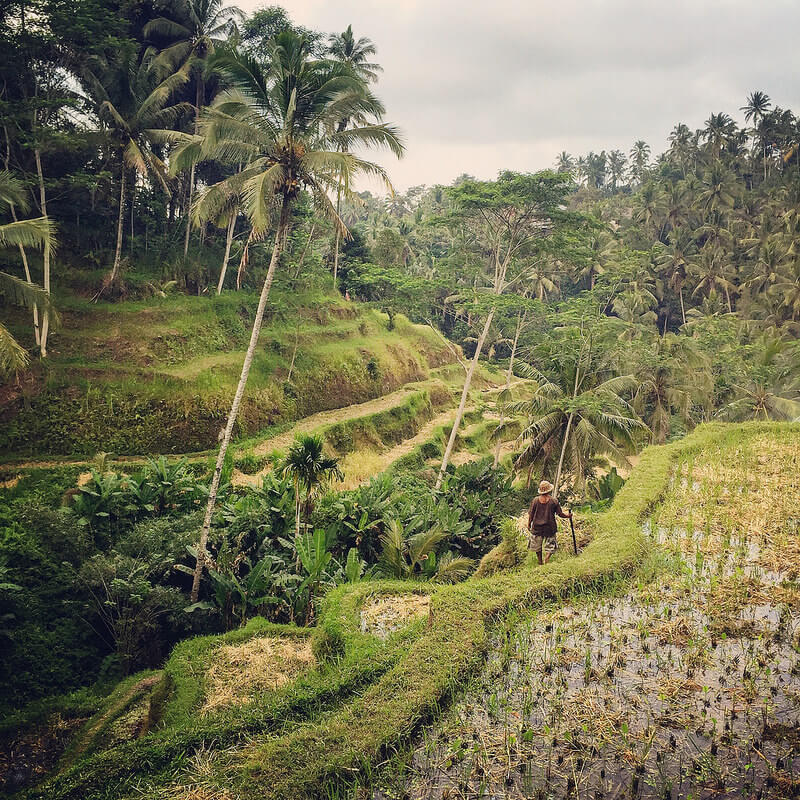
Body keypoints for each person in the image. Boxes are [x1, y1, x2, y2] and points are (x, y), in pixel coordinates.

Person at [528, 479, 572, 565]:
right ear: (549, 490)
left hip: (537, 527)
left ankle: (540, 561)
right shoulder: (553, 501)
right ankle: (547, 558)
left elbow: (531, 514)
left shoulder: (535, 500)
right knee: (551, 545)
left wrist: (529, 524)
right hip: (550, 527)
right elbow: (560, 514)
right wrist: (568, 516)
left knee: (537, 546)